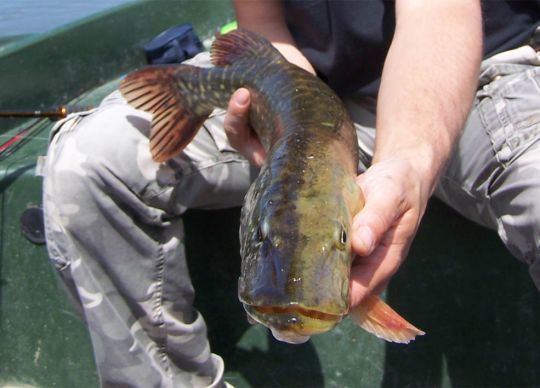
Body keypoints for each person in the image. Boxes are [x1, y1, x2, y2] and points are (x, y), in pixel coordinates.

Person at [42, 0, 540, 386]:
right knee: (87, 165)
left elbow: (439, 20)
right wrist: (276, 119)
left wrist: (405, 162)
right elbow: (263, 25)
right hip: (318, 99)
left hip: (466, 79)